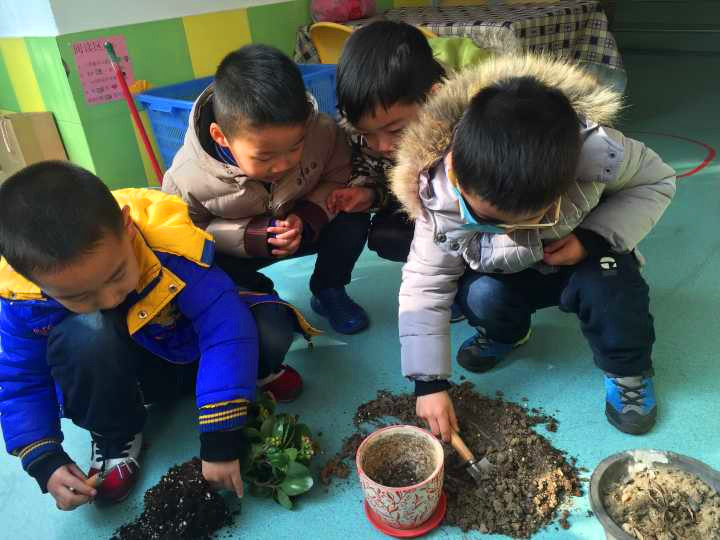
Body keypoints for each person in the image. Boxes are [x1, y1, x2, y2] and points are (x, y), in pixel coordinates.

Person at [0, 161, 317, 510]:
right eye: (80, 297)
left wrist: (220, 435)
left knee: (267, 326)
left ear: (128, 227)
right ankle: (116, 434)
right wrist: (44, 459)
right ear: (35, 282)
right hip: (134, 380)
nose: (109, 298)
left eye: (117, 275)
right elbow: (21, 379)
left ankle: (245, 380)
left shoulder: (171, 247)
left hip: (191, 351)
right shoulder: (22, 301)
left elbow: (224, 327)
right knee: (87, 334)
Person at [390, 55, 676, 441]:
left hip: (581, 259)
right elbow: (425, 286)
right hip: (507, 271)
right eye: (488, 219)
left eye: (530, 217)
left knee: (612, 282)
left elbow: (656, 182)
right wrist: (428, 383)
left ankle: (629, 372)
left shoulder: (599, 153)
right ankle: (507, 333)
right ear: (455, 170)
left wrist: (592, 239)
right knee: (478, 294)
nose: (509, 230)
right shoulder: (438, 198)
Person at [163, 44, 369, 334]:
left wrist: (308, 216)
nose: (283, 164)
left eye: (295, 147)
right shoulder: (186, 177)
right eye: (264, 156)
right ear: (221, 137)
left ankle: (329, 289)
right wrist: (251, 235)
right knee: (208, 264)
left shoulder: (322, 132)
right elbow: (184, 235)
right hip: (240, 250)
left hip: (304, 228)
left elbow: (339, 177)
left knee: (353, 215)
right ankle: (264, 298)